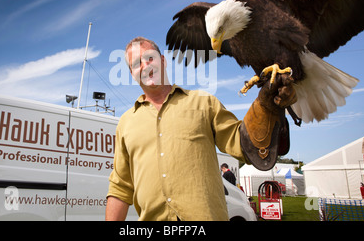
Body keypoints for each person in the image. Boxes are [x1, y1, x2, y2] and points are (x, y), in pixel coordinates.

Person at [105, 36, 296, 221]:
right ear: (132, 73)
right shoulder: (126, 123)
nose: (145, 66)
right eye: (137, 63)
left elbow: (242, 143)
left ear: (162, 61)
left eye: (149, 58)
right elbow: (120, 187)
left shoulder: (204, 103)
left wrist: (268, 109)